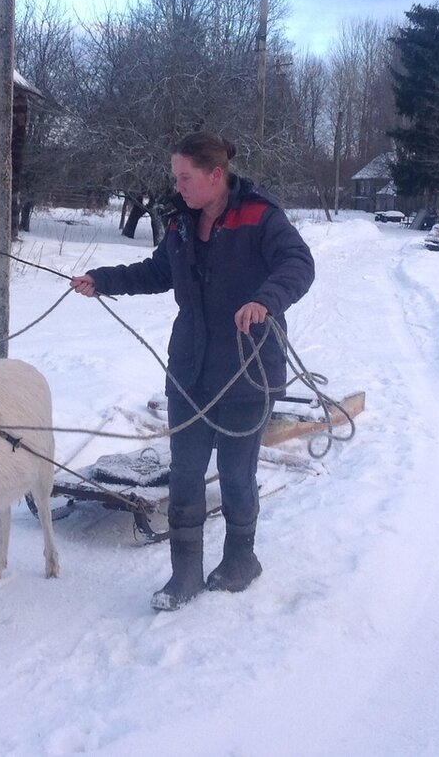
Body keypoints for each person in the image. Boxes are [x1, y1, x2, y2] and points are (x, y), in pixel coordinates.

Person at [71, 131, 315, 611]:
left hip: (247, 372)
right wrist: (103, 281)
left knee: (235, 473)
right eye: (176, 177)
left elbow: (298, 264)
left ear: (215, 176)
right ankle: (184, 574)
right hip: (189, 370)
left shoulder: (260, 216)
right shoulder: (181, 223)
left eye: (186, 177)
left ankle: (241, 560)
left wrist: (265, 300)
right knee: (184, 473)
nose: (178, 186)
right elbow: (158, 272)